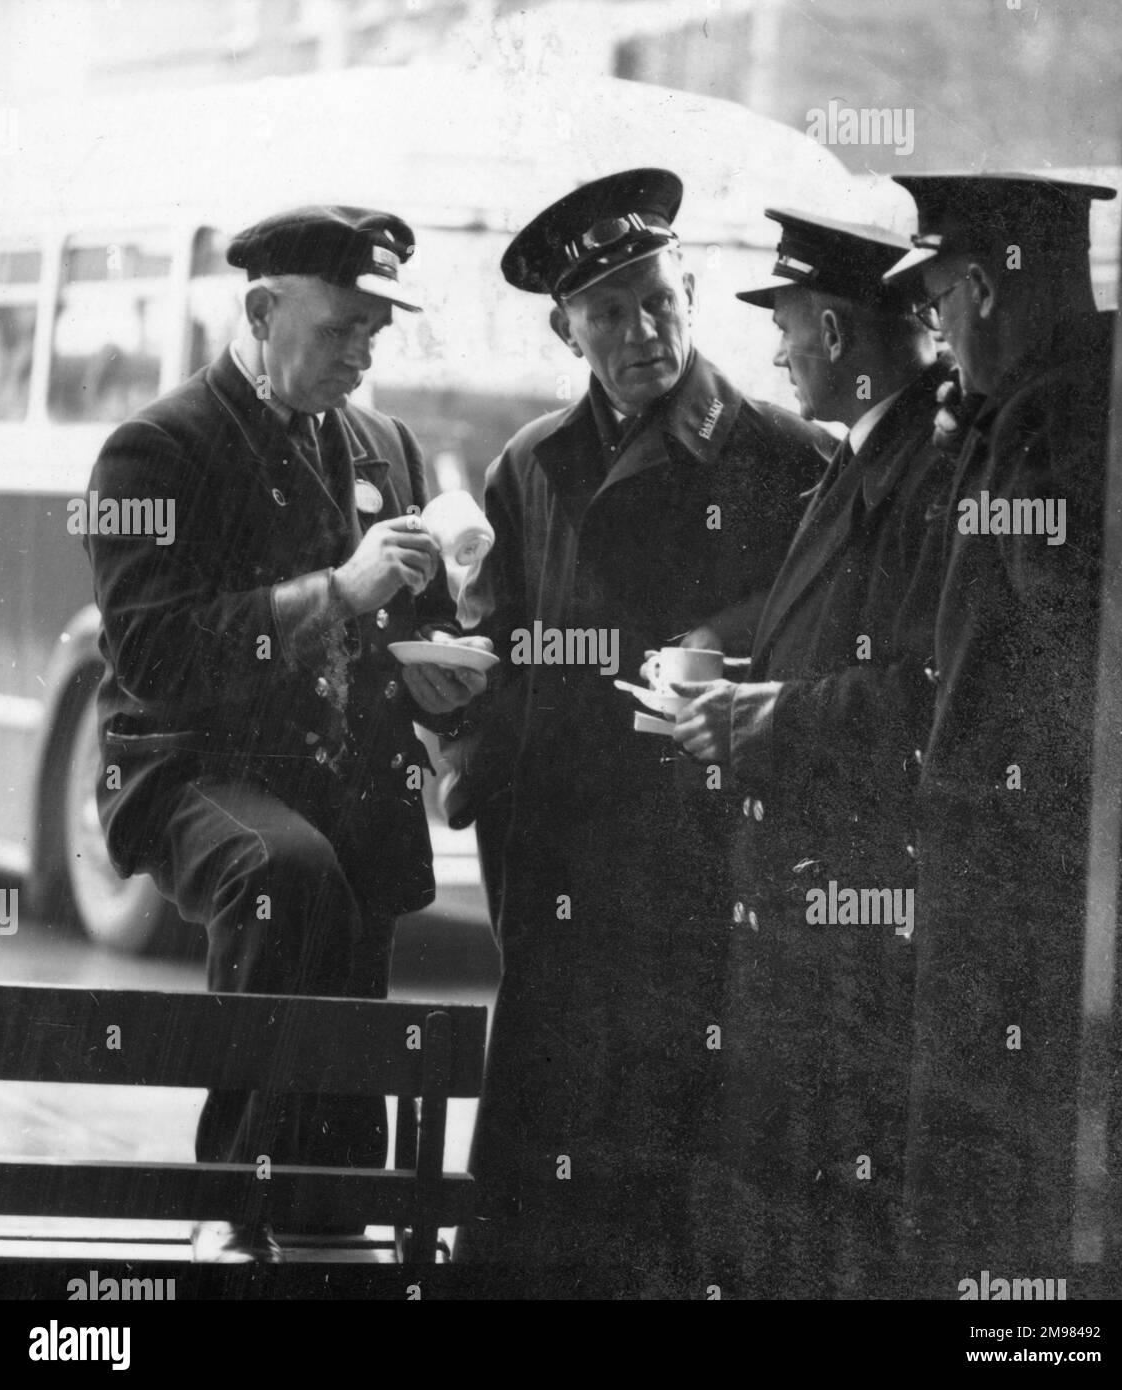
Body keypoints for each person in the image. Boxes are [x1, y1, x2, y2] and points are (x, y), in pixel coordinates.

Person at [83, 205, 489, 1263]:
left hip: (337, 778)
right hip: (186, 768)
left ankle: (327, 1217)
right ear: (262, 311)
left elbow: (397, 623)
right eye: (340, 329)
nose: (361, 356)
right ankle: (240, 1204)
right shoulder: (155, 451)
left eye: (375, 334)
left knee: (359, 877)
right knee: (287, 872)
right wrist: (335, 592)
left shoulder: (381, 445)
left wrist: (442, 680)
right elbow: (153, 657)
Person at [450, 168, 828, 1291]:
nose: (639, 332)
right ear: (566, 330)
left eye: (656, 300)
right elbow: (506, 657)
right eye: (606, 313)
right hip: (557, 860)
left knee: (674, 1163)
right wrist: (466, 743)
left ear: (692, 291)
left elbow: (826, 631)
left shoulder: (786, 455)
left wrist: (724, 636)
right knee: (544, 1146)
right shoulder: (530, 465)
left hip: (702, 858)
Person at [670, 209, 960, 1296]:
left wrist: (756, 719)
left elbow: (920, 691)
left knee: (830, 1208)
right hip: (815, 898)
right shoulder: (880, 450)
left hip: (855, 908)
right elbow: (832, 621)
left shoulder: (925, 464)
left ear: (836, 332)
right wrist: (721, 650)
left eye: (785, 326)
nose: (776, 350)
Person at [880, 173, 1122, 1291]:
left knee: (995, 1190)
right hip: (1042, 860)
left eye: (937, 305)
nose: (936, 338)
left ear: (983, 288)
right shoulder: (1079, 393)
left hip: (1025, 871)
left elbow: (1074, 636)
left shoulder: (1049, 418)